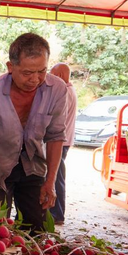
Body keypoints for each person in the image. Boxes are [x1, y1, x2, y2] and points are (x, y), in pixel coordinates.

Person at [0, 33, 67, 232]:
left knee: (36, 230)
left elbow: (56, 137)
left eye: (42, 71)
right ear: (10, 67)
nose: (35, 79)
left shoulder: (57, 90)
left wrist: (50, 182)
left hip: (34, 166)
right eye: (27, 73)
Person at [49, 63, 77, 225]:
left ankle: (57, 214)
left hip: (60, 141)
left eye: (52, 74)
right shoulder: (69, 89)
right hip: (63, 140)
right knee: (56, 175)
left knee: (56, 176)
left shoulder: (64, 92)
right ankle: (55, 212)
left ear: (59, 75)